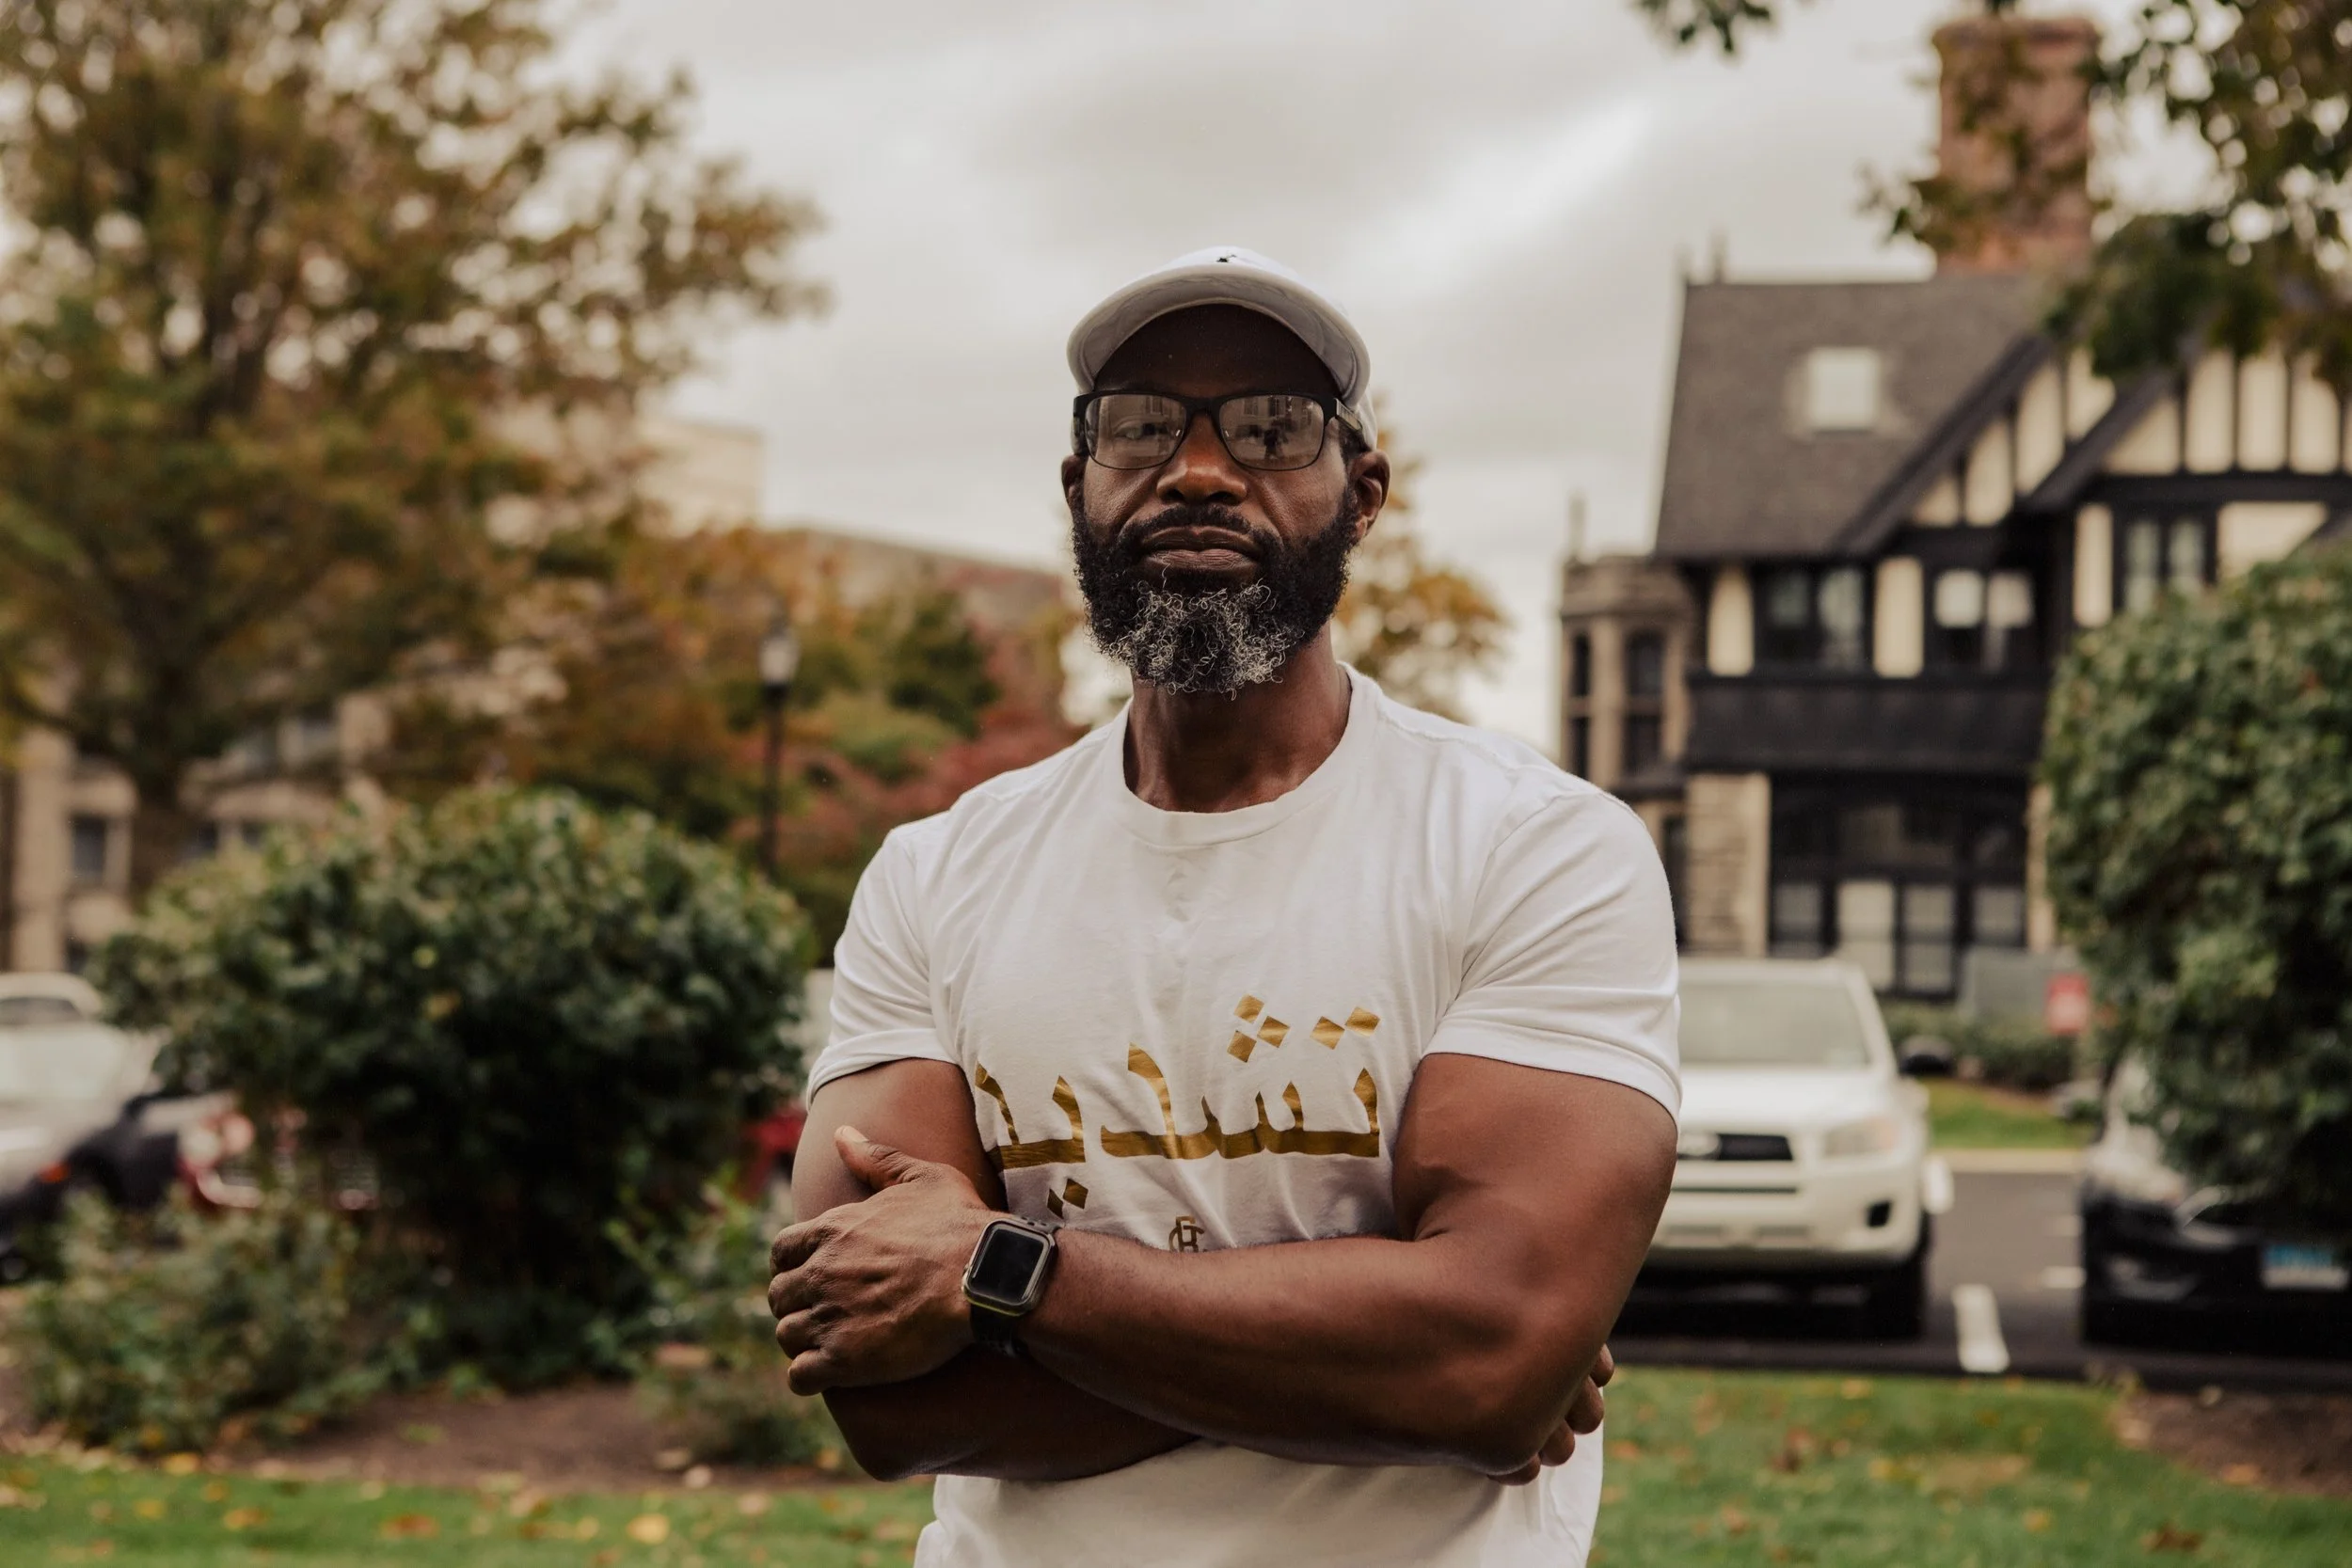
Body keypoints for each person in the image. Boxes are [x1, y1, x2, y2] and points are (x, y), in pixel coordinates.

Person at [768, 246, 1680, 1568]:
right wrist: (1376, 1359)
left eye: (1270, 427)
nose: (1198, 469)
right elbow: (886, 1393)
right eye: (1140, 426)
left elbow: (1490, 1356)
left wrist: (996, 1276)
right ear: (1078, 486)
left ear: (1361, 494)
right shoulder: (937, 874)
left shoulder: (1535, 849)